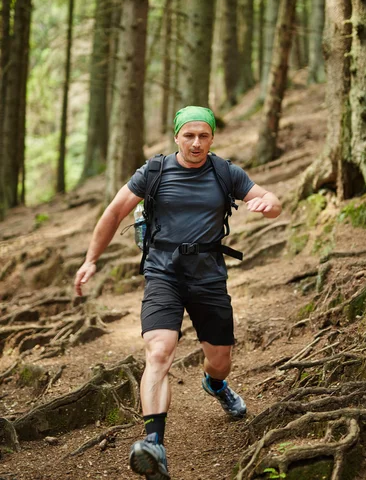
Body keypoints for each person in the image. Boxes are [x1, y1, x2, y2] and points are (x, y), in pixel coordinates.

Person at [74, 106, 281, 480]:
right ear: (176, 137)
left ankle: (215, 384)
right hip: (162, 275)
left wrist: (267, 205)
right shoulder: (152, 172)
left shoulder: (225, 172)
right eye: (189, 135)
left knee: (220, 360)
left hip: (208, 277)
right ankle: (154, 445)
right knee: (158, 352)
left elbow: (270, 199)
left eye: (203, 135)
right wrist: (91, 260)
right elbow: (114, 212)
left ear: (212, 137)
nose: (197, 143)